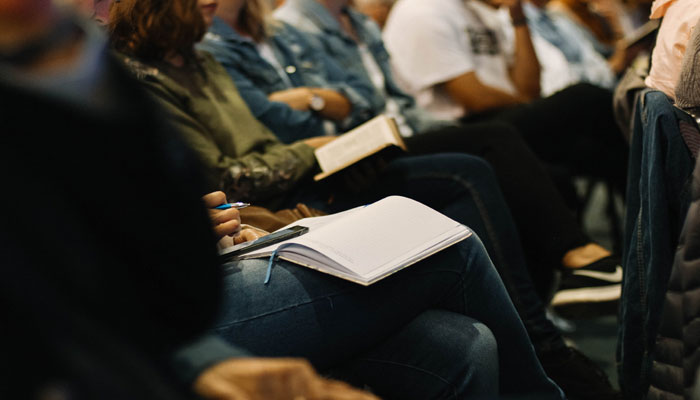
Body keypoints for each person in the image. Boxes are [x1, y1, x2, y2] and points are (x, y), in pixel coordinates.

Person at [106, 0, 569, 398]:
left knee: (470, 344)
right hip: (168, 299)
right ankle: (552, 364)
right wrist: (319, 142)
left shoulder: (201, 60)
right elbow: (233, 175)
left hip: (224, 249)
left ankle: (551, 334)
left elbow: (325, 112)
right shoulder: (137, 77)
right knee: (451, 239)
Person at [0, 1, 375, 399]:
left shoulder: (175, 65)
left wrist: (196, 363)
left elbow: (152, 285)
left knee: (432, 335)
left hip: (155, 327)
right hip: (145, 334)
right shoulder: (132, 73)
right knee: (431, 266)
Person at [204, 0, 623, 303]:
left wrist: (317, 98)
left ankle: (555, 299)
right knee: (495, 145)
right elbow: (277, 121)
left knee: (548, 162)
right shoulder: (266, 29)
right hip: (327, 160)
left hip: (378, 136)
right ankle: (562, 281)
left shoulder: (293, 30)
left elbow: (367, 96)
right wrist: (325, 103)